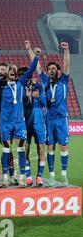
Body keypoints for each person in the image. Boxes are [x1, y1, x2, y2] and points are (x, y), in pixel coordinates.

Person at [0, 44, 39, 188]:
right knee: (6, 150)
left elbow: (33, 67)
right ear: (7, 72)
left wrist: (34, 53)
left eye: (15, 71)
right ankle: (5, 178)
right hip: (5, 123)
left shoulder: (21, 83)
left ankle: (22, 178)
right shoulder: (1, 85)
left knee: (22, 149)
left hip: (19, 123)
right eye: (11, 70)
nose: (13, 72)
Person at [38, 42, 71, 187]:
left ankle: (64, 175)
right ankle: (52, 176)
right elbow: (38, 68)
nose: (51, 70)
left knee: (63, 146)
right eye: (49, 68)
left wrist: (66, 50)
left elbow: (66, 64)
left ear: (58, 71)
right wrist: (30, 51)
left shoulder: (64, 80)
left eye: (53, 68)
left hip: (62, 119)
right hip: (49, 119)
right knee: (50, 147)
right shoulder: (45, 82)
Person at [18, 56, 47, 187]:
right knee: (25, 149)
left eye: (26, 73)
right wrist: (27, 97)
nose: (25, 75)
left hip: (39, 122)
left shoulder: (39, 86)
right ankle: (29, 176)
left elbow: (45, 103)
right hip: (26, 123)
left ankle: (39, 177)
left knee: (41, 148)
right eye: (22, 74)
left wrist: (38, 96)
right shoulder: (19, 89)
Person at [0, 61, 17, 185]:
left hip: (6, 121)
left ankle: (11, 175)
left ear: (7, 71)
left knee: (7, 148)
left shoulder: (12, 85)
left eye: (3, 69)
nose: (1, 71)